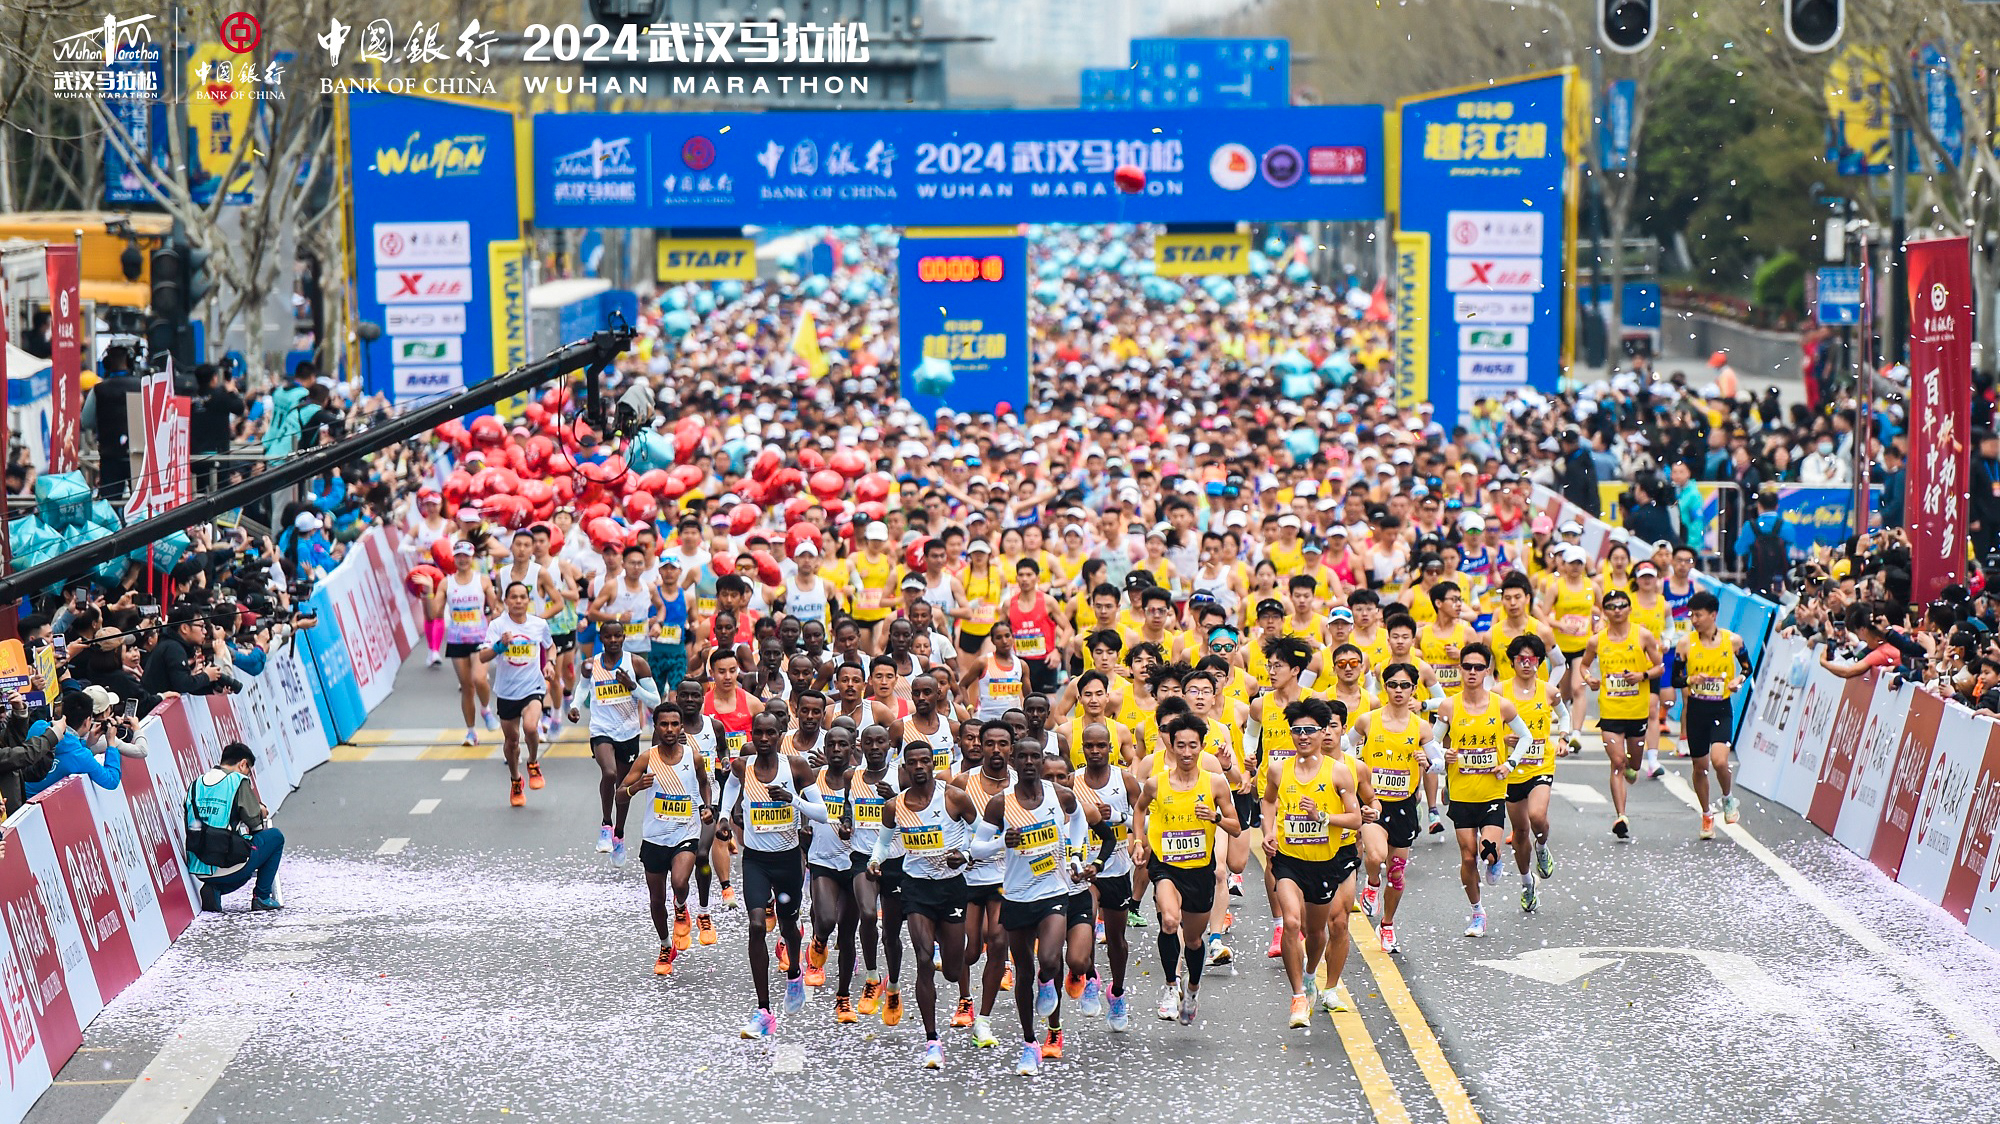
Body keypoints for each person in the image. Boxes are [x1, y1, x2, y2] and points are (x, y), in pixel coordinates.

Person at [967, 729, 1104, 1076]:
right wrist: (1002, 841)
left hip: (1053, 891)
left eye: (1035, 757)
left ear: (1042, 762)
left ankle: (1050, 982)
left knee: (1049, 960)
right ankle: (1030, 1043)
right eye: (1023, 757)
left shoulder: (1060, 796)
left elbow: (1078, 825)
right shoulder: (1000, 803)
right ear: (1014, 762)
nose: (1029, 762)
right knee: (1023, 972)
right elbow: (976, 848)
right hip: (1015, 896)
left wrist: (1074, 857)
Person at [867, 740, 981, 1069]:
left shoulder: (954, 797)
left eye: (924, 762)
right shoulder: (894, 806)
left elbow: (984, 832)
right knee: (923, 959)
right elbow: (884, 842)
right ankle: (932, 1040)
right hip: (915, 888)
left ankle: (952, 960)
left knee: (954, 970)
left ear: (933, 764)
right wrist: (875, 861)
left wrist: (968, 854)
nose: (919, 767)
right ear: (904, 768)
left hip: (952, 889)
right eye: (912, 763)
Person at [718, 711, 829, 1039]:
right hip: (756, 861)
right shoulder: (744, 765)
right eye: (758, 734)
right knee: (756, 925)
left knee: (788, 926)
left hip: (788, 860)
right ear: (752, 735)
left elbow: (821, 814)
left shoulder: (795, 767)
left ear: (781, 734)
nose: (764, 739)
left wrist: (793, 800)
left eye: (771, 733)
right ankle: (764, 1010)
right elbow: (732, 786)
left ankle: (795, 972)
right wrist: (725, 815)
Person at [1130, 713, 1239, 1028]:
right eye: (1181, 745)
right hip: (1165, 866)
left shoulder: (1215, 783)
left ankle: (1191, 990)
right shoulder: (1156, 783)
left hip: (1199, 870)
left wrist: (1215, 818)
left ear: (1202, 746)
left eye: (1193, 745)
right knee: (1169, 921)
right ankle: (1169, 986)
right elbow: (1139, 810)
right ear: (1172, 746)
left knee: (1192, 940)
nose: (1187, 752)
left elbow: (1235, 827)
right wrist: (1139, 841)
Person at [1262, 697, 1363, 1028]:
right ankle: (1298, 997)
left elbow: (1356, 819)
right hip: (1289, 861)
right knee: (1292, 923)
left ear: (1323, 733)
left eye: (1309, 730)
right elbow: (1268, 801)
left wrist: (1322, 817)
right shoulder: (1279, 768)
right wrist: (1268, 832)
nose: (1302, 736)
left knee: (1317, 931)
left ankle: (1309, 974)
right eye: (1296, 730)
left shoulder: (1340, 772)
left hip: (1324, 862)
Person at [1434, 643, 1531, 938]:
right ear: (1460, 669)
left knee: (1487, 852)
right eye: (1467, 667)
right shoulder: (1449, 706)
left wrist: (1510, 764)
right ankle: (1477, 912)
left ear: (1487, 671)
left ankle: (1497, 859)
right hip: (1462, 793)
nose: (1472, 672)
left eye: (1479, 667)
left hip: (1492, 792)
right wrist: (1444, 757)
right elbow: (1433, 745)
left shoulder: (1501, 705)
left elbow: (1526, 736)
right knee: (1466, 858)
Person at [619, 704, 715, 976]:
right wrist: (635, 787)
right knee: (656, 900)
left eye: (675, 724)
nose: (670, 730)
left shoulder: (693, 757)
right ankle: (665, 945)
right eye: (664, 725)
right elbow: (620, 795)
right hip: (654, 838)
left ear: (681, 726)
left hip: (685, 832)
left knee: (680, 882)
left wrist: (707, 807)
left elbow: (704, 781)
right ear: (656, 726)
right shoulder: (646, 759)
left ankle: (682, 906)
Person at [1351, 663, 1431, 954]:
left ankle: (1387, 924)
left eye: (1405, 685)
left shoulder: (1421, 727)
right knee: (1375, 854)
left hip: (1404, 805)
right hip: (1373, 803)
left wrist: (1426, 762)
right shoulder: (1367, 721)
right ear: (1385, 687)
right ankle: (1372, 882)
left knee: (1397, 872)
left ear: (1413, 689)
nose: (1398, 690)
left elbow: (1436, 760)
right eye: (1393, 685)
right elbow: (1344, 751)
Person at [571, 623, 659, 862]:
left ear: (624, 637)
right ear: (601, 638)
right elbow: (582, 688)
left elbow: (656, 701)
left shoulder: (637, 664)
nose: (613, 640)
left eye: (617, 636)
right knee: (608, 773)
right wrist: (575, 706)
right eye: (607, 636)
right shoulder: (591, 665)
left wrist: (633, 687)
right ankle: (606, 826)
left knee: (623, 786)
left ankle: (619, 836)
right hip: (601, 730)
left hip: (628, 733)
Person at [1580, 590, 1663, 840]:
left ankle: (1633, 766)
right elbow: (1584, 665)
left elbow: (1660, 666)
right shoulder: (1597, 640)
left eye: (1622, 605)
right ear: (1604, 611)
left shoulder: (1643, 635)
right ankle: (1621, 816)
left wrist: (1642, 676)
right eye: (1612, 606)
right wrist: (1589, 679)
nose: (1617, 610)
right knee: (1617, 762)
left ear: (1629, 609)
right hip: (1611, 711)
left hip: (1636, 711)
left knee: (1633, 764)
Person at [1501, 634, 1566, 912]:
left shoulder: (1548, 691)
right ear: (1513, 662)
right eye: (1521, 659)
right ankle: (1527, 883)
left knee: (1537, 816)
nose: (1527, 664)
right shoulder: (1499, 692)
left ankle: (1542, 847)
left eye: (1532, 659)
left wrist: (1563, 737)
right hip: (1513, 769)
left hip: (1541, 764)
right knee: (1519, 831)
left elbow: (1564, 715)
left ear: (1540, 662)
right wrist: (1503, 740)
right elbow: (1487, 727)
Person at [1679, 592, 1751, 839]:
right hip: (1697, 711)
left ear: (1713, 615)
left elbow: (1747, 668)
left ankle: (1728, 797)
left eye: (1698, 615)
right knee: (1700, 767)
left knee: (1720, 761)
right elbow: (1675, 678)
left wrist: (1737, 681)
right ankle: (1707, 814)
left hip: (1721, 708)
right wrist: (1690, 679)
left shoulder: (1733, 641)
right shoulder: (1686, 644)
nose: (1694, 620)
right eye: (1691, 615)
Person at [479, 582, 555, 808]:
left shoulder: (539, 624)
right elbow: (483, 657)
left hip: (533, 687)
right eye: (514, 597)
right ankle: (515, 780)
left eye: (523, 597)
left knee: (531, 727)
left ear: (528, 601)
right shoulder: (497, 625)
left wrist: (550, 663)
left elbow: (551, 647)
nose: (519, 601)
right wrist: (500, 645)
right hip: (507, 691)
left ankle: (532, 762)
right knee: (511, 741)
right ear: (506, 601)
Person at [186, 742, 284, 912]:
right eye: (248, 770)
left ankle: (215, 888)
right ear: (243, 764)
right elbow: (255, 823)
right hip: (228, 863)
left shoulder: (196, 783)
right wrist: (260, 810)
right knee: (275, 838)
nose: (248, 775)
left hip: (198, 867)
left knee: (241, 850)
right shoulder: (237, 781)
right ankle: (261, 897)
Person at [434, 540, 499, 744]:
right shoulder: (446, 583)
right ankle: (471, 731)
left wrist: (496, 618)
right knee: (467, 687)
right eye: (459, 556)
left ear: (472, 558)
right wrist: (428, 591)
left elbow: (496, 607)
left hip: (480, 638)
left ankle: (486, 709)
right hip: (456, 640)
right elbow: (435, 613)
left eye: (466, 556)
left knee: (479, 678)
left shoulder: (483, 581)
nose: (462, 560)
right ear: (454, 558)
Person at [142, 606, 240, 698]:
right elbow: (183, 684)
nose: (205, 632)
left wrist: (212, 689)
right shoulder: (173, 648)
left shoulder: (175, 645)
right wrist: (206, 676)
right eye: (201, 626)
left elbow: (187, 686)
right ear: (184, 628)